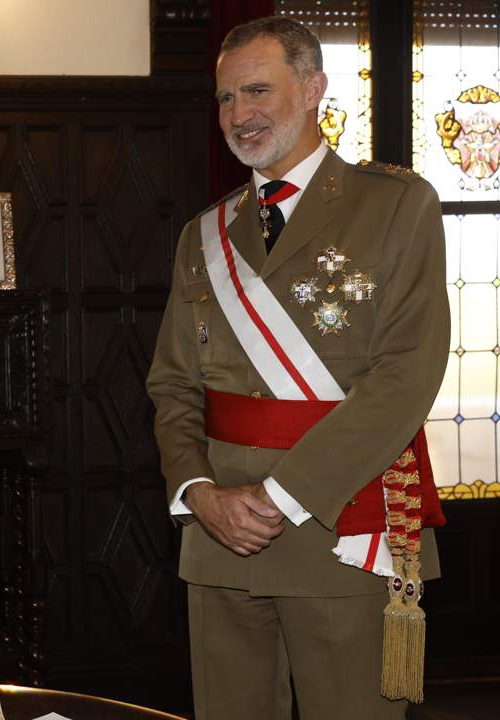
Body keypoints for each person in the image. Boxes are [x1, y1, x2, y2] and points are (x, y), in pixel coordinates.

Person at [146, 17, 448, 720]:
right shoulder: (204, 233)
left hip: (338, 530)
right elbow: (172, 383)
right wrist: (198, 490)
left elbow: (404, 377)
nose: (238, 115)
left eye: (258, 91)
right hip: (220, 539)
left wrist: (279, 498)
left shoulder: (396, 205)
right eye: (224, 98)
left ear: (313, 89)